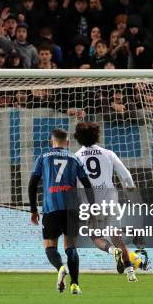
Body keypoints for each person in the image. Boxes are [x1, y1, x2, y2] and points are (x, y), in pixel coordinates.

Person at [28, 128, 93, 295]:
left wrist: (34, 210)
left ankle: (60, 267)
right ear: (68, 142)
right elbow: (87, 185)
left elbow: (33, 184)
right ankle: (75, 285)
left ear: (52, 141)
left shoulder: (43, 157)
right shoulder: (75, 158)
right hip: (72, 209)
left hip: (51, 208)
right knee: (70, 246)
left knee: (50, 246)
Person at [73, 122, 138, 282]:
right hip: (110, 201)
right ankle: (131, 273)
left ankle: (111, 252)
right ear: (96, 136)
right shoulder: (108, 153)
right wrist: (130, 186)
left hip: (91, 205)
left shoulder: (76, 157)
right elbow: (126, 174)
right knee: (117, 238)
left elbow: (73, 184)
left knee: (95, 236)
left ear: (78, 138)